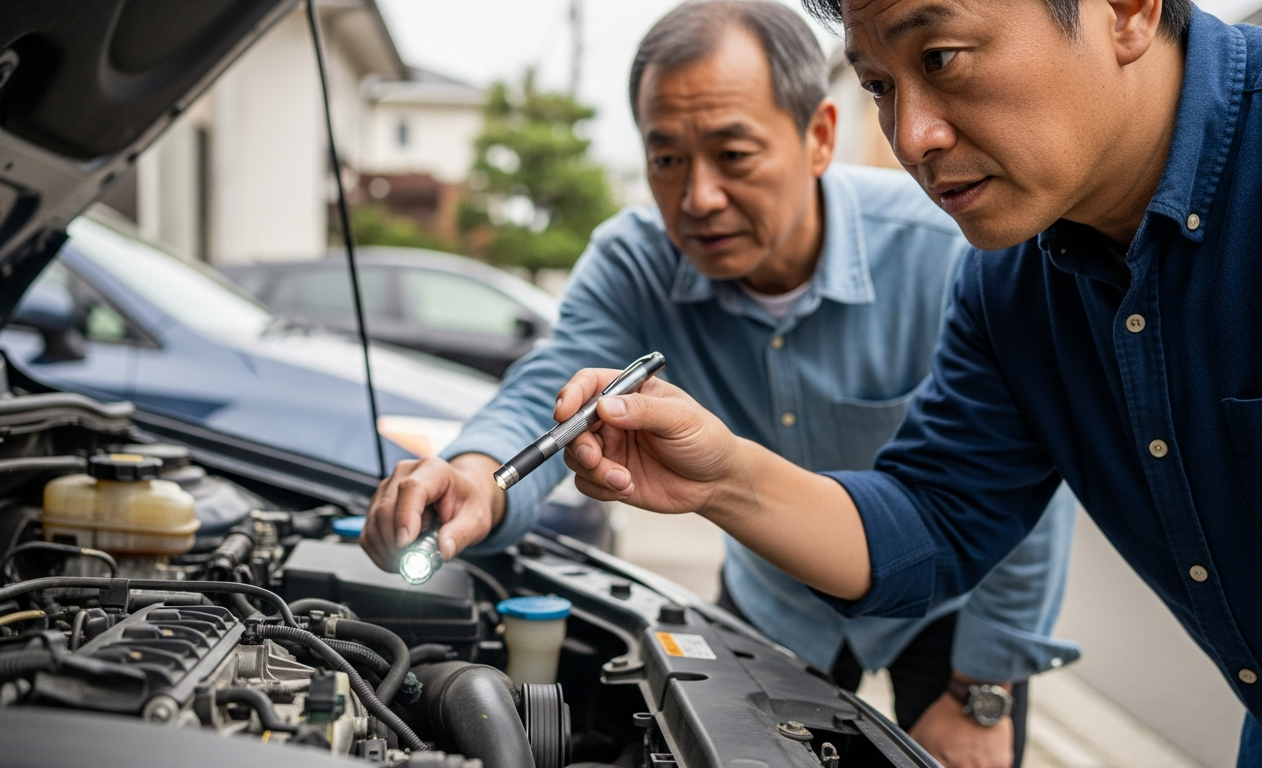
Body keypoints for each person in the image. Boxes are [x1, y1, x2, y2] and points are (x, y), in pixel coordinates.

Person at [362, 4, 1079, 766]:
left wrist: (983, 692)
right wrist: (476, 476)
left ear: (820, 138)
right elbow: (550, 383)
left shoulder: (952, 251)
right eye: (666, 159)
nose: (698, 197)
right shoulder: (636, 262)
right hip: (776, 598)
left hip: (956, 612)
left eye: (733, 154)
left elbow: (1027, 491)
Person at [547, 0, 1262, 765]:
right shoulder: (1008, 284)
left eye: (941, 57)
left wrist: (981, 692)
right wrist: (721, 478)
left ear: (1126, 11)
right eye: (881, 87)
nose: (913, 137)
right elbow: (934, 522)